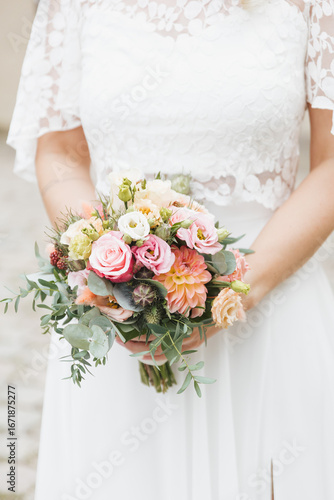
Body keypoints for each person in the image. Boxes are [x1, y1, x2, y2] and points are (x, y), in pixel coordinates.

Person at [7, 0, 334, 498]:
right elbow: (61, 152)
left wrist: (234, 291)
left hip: (272, 305)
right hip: (120, 322)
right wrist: (110, 264)